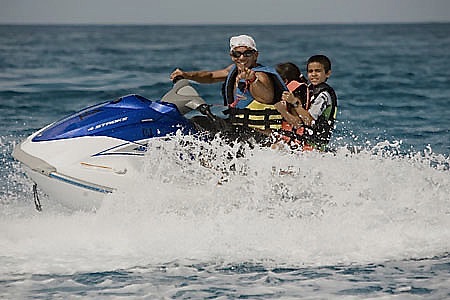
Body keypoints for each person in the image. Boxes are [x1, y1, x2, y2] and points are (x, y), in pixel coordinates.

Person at [170, 34, 286, 143]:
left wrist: (252, 80)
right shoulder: (233, 70)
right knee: (198, 122)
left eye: (247, 53)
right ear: (232, 56)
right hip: (239, 129)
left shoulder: (261, 75)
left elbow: (267, 96)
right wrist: (186, 75)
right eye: (237, 54)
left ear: (256, 55)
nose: (242, 57)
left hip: (261, 134)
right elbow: (210, 76)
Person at [273, 55, 338, 151]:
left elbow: (309, 121)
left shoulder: (324, 95)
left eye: (318, 71)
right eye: (310, 71)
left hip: (314, 147)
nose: (314, 74)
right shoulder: (309, 89)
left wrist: (294, 102)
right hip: (302, 140)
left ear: (328, 73)